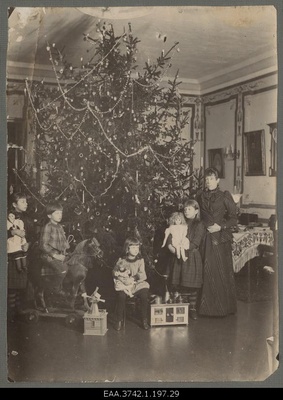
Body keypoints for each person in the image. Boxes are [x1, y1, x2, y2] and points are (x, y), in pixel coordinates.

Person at [196, 167, 238, 317]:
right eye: (206, 179)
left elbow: (234, 218)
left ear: (217, 180)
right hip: (205, 238)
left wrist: (221, 226)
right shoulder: (200, 196)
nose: (208, 181)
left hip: (220, 238)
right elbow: (197, 215)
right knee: (206, 271)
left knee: (220, 271)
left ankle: (223, 308)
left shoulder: (225, 196)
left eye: (211, 178)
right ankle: (205, 309)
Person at [167, 199, 205, 320]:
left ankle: (192, 308)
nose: (186, 211)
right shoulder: (179, 222)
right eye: (185, 209)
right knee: (178, 283)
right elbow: (170, 236)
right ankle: (180, 307)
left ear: (196, 211)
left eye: (189, 209)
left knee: (192, 284)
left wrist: (183, 248)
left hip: (191, 256)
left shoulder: (199, 224)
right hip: (178, 255)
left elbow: (195, 242)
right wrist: (172, 247)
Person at [7, 192, 35, 319]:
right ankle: (10, 311)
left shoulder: (27, 218)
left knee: (20, 284)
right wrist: (12, 231)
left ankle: (18, 310)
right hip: (11, 253)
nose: (26, 204)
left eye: (26, 201)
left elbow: (31, 235)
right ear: (14, 204)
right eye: (22, 202)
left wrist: (28, 243)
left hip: (22, 252)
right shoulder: (7, 216)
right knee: (12, 285)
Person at [112, 237, 150, 331]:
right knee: (121, 296)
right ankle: (119, 320)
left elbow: (142, 273)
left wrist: (132, 278)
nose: (136, 250)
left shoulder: (140, 260)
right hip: (124, 284)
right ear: (127, 249)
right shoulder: (122, 260)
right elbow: (115, 271)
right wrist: (118, 275)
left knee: (144, 295)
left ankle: (144, 319)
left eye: (137, 247)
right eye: (133, 248)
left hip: (136, 283)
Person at [39, 201, 70, 294]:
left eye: (61, 213)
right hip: (48, 255)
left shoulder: (60, 227)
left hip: (60, 254)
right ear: (49, 215)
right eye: (57, 213)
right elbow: (43, 245)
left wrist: (65, 247)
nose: (60, 215)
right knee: (63, 269)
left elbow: (63, 241)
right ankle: (55, 289)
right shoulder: (48, 227)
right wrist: (55, 255)